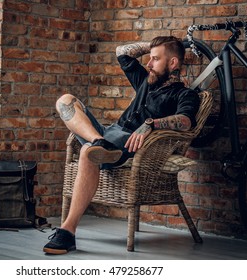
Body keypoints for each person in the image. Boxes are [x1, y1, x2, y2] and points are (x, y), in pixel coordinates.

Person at [43, 36, 200, 255]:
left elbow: (185, 122)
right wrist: (155, 46)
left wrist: (151, 124)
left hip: (127, 143)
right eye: (149, 58)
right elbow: (122, 51)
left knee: (88, 152)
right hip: (107, 133)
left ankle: (67, 232)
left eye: (155, 59)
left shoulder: (184, 94)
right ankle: (99, 142)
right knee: (65, 100)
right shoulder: (146, 80)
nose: (148, 63)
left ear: (173, 64)